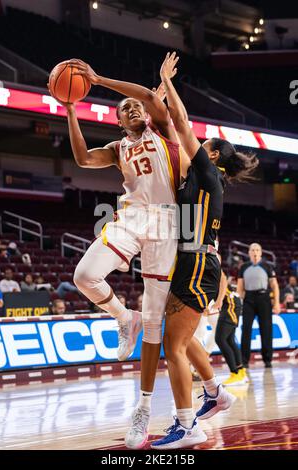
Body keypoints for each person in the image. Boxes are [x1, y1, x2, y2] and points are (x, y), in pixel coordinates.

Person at [48, 58, 183, 449]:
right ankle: (126, 317)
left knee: (157, 323)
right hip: (131, 216)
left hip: (167, 224)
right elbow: (83, 159)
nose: (133, 109)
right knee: (84, 275)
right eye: (125, 111)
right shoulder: (117, 146)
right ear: (119, 123)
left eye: (136, 107)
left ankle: (142, 410)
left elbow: (144, 95)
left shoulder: (160, 127)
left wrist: (98, 80)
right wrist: (71, 109)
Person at [151, 52, 259, 449]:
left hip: (198, 260)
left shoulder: (209, 172)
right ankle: (216, 392)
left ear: (211, 155)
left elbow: (180, 124)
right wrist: (156, 99)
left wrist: (169, 82)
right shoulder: (198, 176)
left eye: (203, 144)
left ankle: (187, 425)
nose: (194, 144)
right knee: (181, 339)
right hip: (191, 259)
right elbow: (169, 130)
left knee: (172, 347)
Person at [237, 243, 281, 369]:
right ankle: (244, 361)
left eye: (257, 250)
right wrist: (239, 303)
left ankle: (268, 360)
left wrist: (277, 302)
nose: (255, 252)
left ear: (261, 252)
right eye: (252, 250)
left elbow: (274, 285)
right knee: (246, 330)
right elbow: (240, 288)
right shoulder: (243, 267)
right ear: (249, 252)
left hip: (264, 299)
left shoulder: (267, 266)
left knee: (266, 330)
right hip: (248, 300)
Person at [215, 276, 247, 386]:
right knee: (229, 340)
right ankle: (241, 372)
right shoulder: (213, 265)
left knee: (220, 340)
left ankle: (235, 373)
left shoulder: (210, 264)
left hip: (230, 306)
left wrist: (218, 301)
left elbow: (221, 282)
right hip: (232, 303)